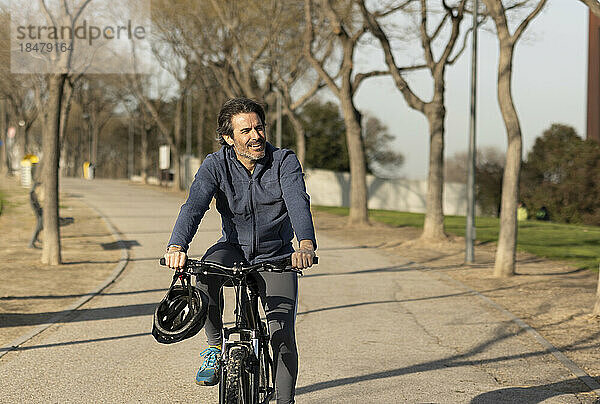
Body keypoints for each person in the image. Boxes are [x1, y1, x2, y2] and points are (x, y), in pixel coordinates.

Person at [163, 97, 316, 404]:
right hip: (233, 248)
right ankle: (214, 347)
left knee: (282, 336)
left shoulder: (284, 161)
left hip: (276, 256)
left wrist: (305, 244)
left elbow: (298, 202)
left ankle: (285, 401)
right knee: (204, 274)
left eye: (259, 127)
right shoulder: (215, 165)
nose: (255, 136)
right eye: (245, 130)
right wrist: (177, 245)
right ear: (228, 138)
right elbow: (194, 206)